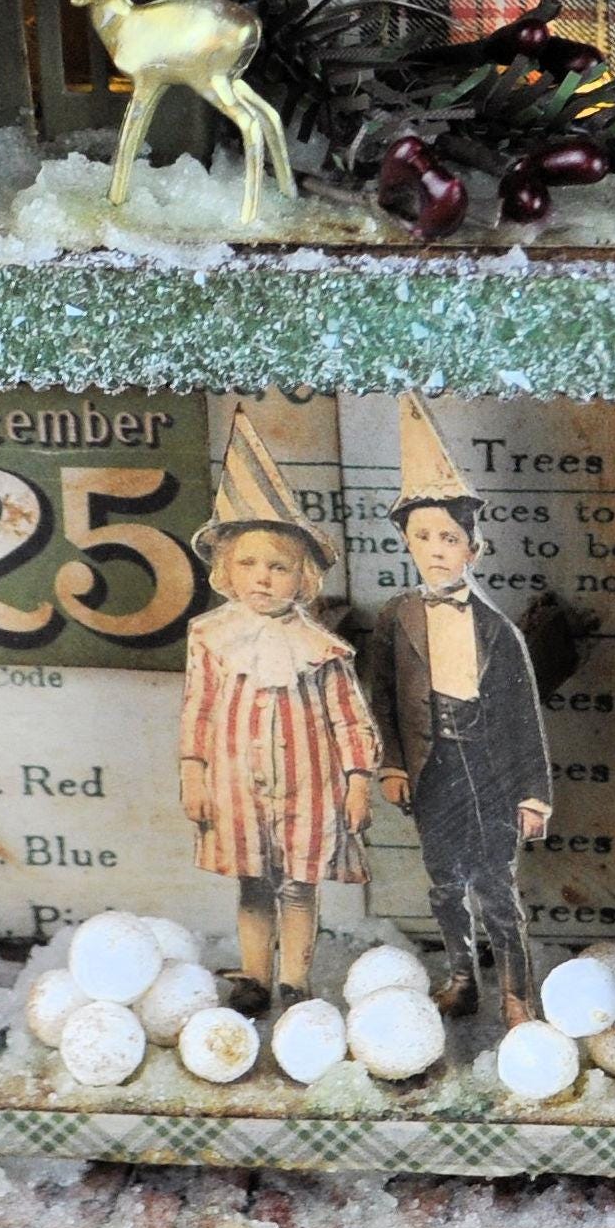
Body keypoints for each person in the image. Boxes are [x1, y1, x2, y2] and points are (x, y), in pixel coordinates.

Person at [178, 413, 382, 1011]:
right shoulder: (211, 637)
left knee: (298, 885)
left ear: (302, 577)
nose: (262, 579)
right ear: (226, 570)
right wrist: (193, 772)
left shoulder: (321, 648)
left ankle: (294, 979)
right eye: (248, 564)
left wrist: (358, 780)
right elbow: (199, 708)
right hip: (237, 787)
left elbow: (350, 719)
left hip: (309, 791)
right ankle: (254, 975)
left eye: (278, 567)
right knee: (252, 883)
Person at [361, 397, 554, 1026]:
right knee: (445, 881)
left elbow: (524, 718)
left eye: (450, 538)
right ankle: (461, 979)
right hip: (432, 767)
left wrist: (532, 795)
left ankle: (517, 996)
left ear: (474, 548)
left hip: (489, 766)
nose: (436, 549)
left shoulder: (498, 630)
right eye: (423, 537)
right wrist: (393, 763)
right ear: (406, 543)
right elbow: (381, 698)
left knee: (496, 885)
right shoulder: (395, 619)